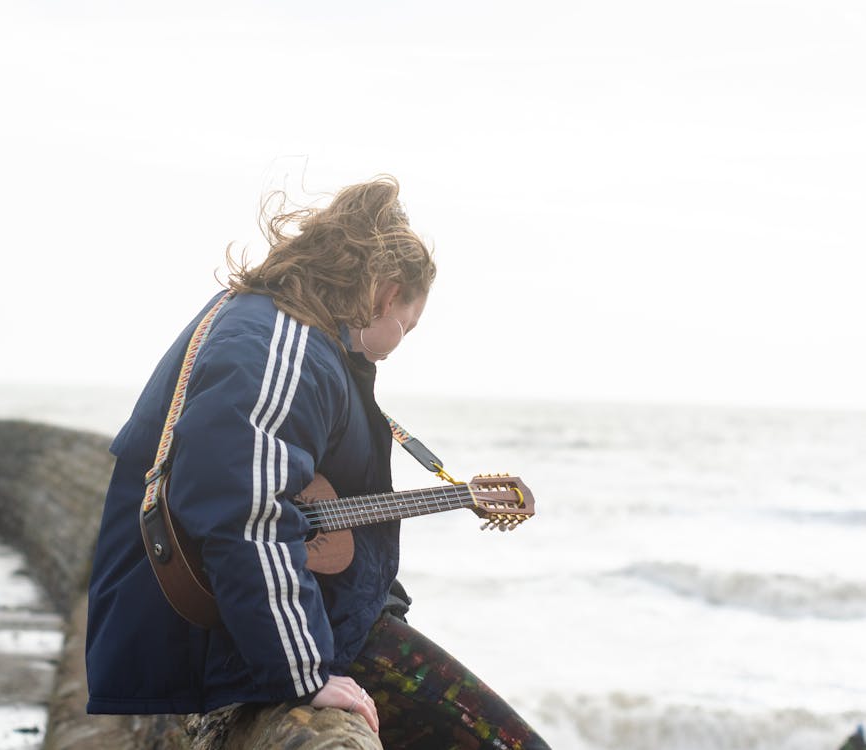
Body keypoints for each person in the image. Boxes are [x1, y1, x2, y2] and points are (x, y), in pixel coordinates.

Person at [85, 176, 550, 749]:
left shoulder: (279, 328)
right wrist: (302, 672)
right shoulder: (278, 346)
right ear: (385, 293)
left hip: (274, 629)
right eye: (405, 324)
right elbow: (248, 516)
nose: (398, 340)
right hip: (233, 640)